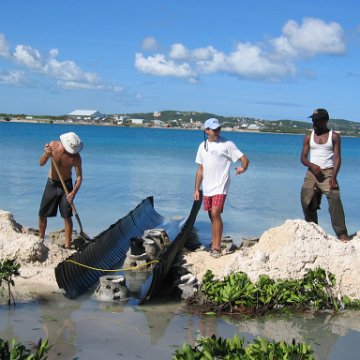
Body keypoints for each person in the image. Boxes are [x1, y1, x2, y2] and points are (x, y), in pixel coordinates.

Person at [194, 118, 249, 258]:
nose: (217, 131)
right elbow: (200, 169)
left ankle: (217, 248)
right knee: (212, 217)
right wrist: (196, 189)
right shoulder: (202, 146)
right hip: (207, 187)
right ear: (206, 131)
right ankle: (213, 244)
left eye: (219, 128)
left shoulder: (227, 144)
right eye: (214, 129)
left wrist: (243, 168)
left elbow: (244, 159)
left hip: (221, 185)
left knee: (215, 213)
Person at [300, 108, 350, 242]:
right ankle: (312, 229)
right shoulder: (308, 137)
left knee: (334, 198)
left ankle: (342, 234)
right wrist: (312, 165)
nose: (313, 123)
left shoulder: (334, 136)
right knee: (306, 199)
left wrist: (334, 177)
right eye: (313, 120)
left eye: (316, 121)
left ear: (325, 121)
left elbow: (337, 158)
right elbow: (303, 158)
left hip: (328, 172)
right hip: (312, 172)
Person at [38, 132, 83, 249]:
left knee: (67, 216)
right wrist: (46, 154)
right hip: (52, 184)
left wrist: (73, 193)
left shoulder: (76, 157)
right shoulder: (53, 146)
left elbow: (79, 177)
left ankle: (68, 245)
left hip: (67, 186)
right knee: (42, 214)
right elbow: (41, 163)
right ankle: (40, 240)